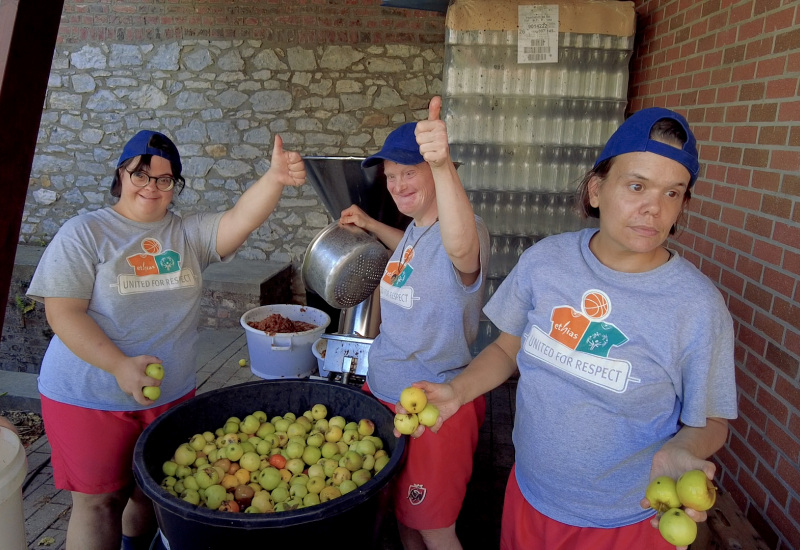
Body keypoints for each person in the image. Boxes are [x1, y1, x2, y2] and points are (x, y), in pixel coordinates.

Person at [412, 107, 738, 550]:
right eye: (637, 185)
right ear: (597, 189)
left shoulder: (697, 306)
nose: (653, 209)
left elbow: (714, 418)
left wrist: (685, 449)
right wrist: (458, 390)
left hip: (629, 519)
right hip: (531, 496)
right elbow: (507, 351)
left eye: (672, 193)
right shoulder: (546, 261)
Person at [26, 130, 306, 550]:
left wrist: (275, 178)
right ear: (120, 174)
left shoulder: (187, 236)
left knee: (151, 492)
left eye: (164, 179)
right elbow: (62, 312)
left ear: (175, 186)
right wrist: (119, 365)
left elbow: (240, 218)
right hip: (89, 395)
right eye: (141, 173)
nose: (151, 187)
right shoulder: (85, 233)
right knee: (101, 503)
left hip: (168, 393)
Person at [338, 96, 491, 549]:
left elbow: (460, 249)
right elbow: (407, 246)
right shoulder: (416, 229)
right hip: (386, 395)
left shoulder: (466, 228)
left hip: (433, 409)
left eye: (410, 172)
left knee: (434, 529)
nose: (398, 185)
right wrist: (369, 222)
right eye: (390, 177)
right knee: (405, 518)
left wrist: (443, 165)